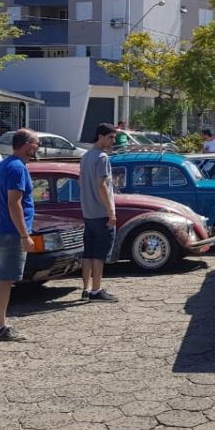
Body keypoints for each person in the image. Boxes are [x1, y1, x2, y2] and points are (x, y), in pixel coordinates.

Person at [0, 129, 40, 341]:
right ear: (27, 146)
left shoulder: (5, 164)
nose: (38, 148)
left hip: (1, 228)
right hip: (12, 231)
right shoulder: (17, 168)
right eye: (37, 144)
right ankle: (0, 326)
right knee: (7, 279)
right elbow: (14, 202)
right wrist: (25, 235)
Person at [79, 124, 119, 302]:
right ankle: (96, 290)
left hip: (88, 211)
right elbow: (101, 184)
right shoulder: (102, 157)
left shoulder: (85, 156)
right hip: (101, 212)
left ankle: (86, 288)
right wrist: (111, 212)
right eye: (110, 137)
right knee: (99, 253)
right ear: (100, 136)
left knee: (88, 251)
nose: (113, 141)